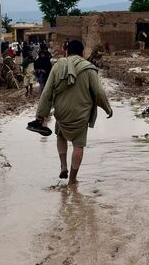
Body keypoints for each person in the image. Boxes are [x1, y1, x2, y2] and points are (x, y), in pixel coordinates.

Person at [34, 40, 112, 184]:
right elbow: (98, 92)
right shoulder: (89, 68)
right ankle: (72, 180)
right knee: (78, 145)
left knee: (61, 136)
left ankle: (63, 165)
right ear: (82, 53)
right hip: (81, 114)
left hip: (61, 112)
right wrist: (107, 108)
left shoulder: (58, 66)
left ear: (66, 51)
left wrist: (41, 115)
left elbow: (47, 92)